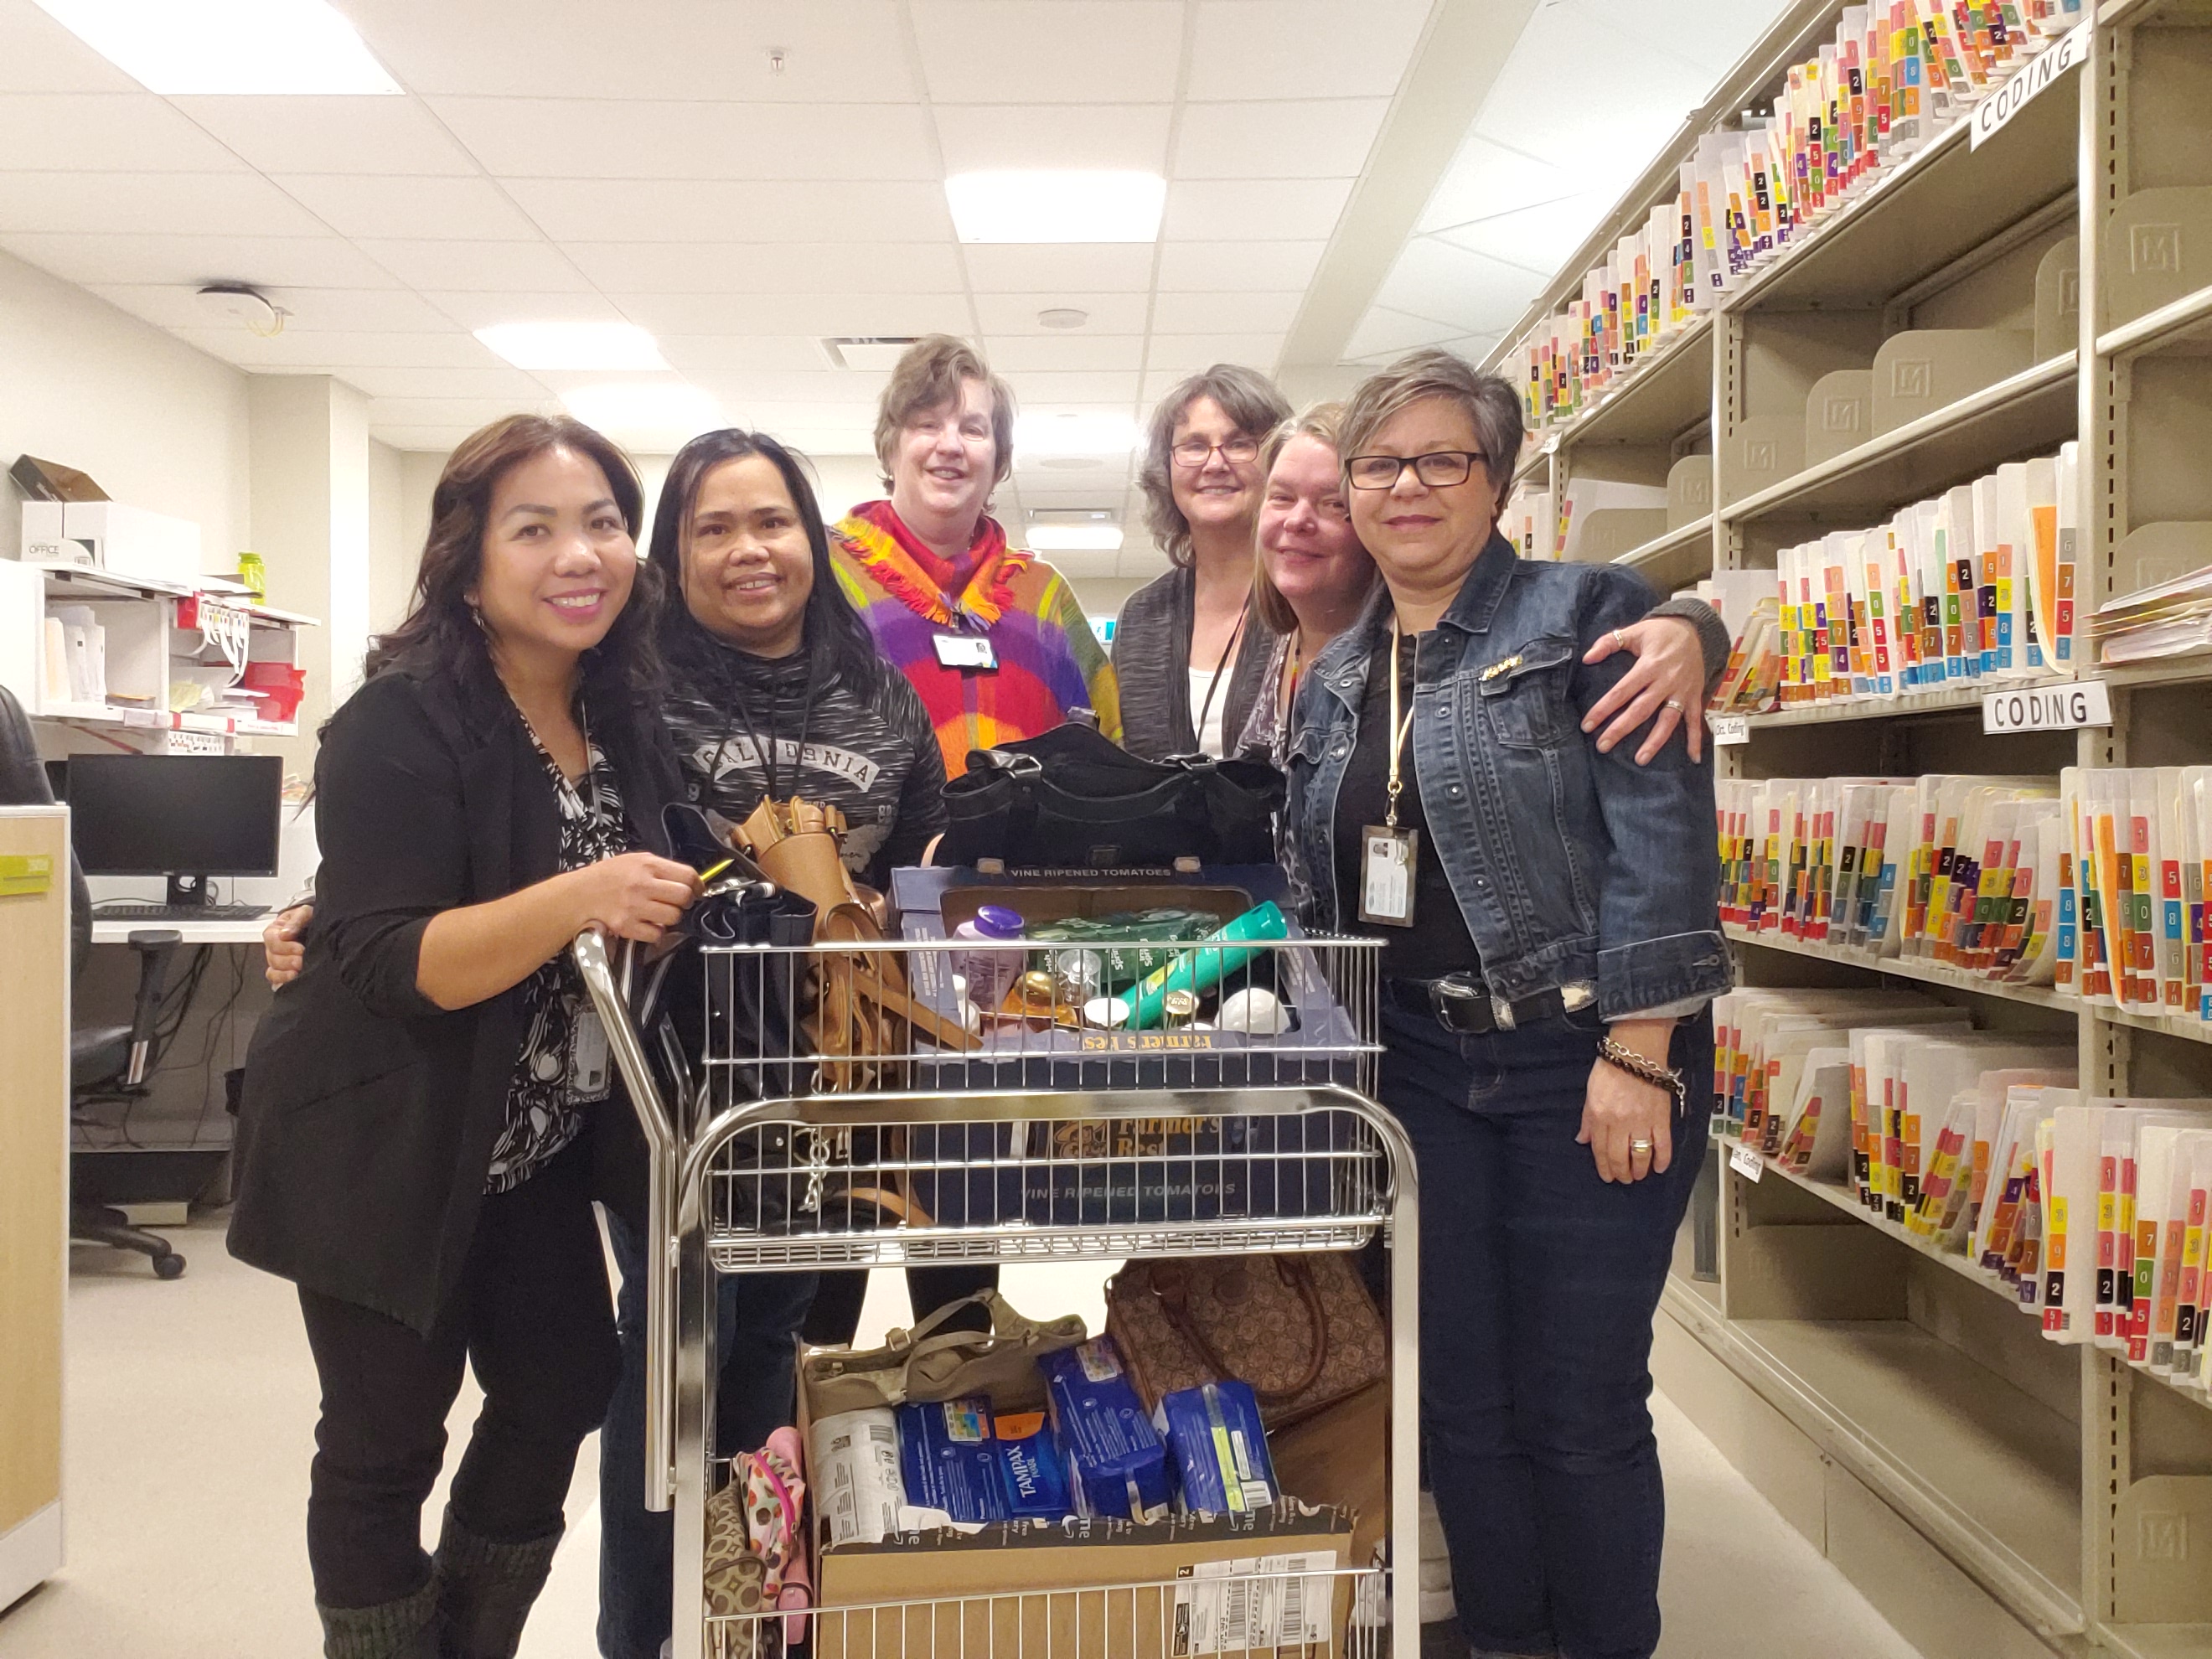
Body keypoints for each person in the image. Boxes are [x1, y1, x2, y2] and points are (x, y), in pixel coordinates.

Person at [228, 414, 700, 1659]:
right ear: (468, 555)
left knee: (559, 1387)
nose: (577, 554)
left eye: (601, 521)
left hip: (532, 1143)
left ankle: (466, 1641)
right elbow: (389, 962)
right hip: (388, 1134)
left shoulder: (623, 713)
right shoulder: (399, 721)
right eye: (533, 527)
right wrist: (578, 901)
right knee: (386, 1444)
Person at [1284, 350, 1728, 1659]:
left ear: (1500, 480)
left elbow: (1662, 836)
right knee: (1458, 1399)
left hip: (1582, 1054)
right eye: (1380, 463)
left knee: (1580, 1401)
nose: (1406, 486)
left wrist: (1639, 1054)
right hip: (1416, 1069)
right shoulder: (1341, 676)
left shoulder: (1592, 612)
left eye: (1442, 459)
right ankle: (1498, 1636)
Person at [1238, 403, 1730, 768]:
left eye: (1332, 505)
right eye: (1281, 498)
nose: (1298, 521)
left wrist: (1692, 629)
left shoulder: (1443, 641)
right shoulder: (1268, 647)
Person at [829, 333, 1119, 776]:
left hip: (1025, 845)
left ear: (999, 461)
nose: (950, 445)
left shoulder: (1043, 594)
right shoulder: (826, 574)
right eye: (927, 424)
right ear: (891, 446)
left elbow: (1109, 750)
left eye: (973, 429)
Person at [1115, 364, 1292, 758]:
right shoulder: (1142, 616)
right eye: (1194, 446)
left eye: (1240, 443)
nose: (1215, 464)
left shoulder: (1306, 600)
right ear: (1167, 470)